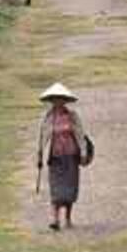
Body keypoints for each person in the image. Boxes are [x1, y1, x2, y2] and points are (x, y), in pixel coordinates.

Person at [36, 82, 88, 231]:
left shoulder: (72, 116)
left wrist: (83, 153)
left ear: (65, 100)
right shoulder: (48, 118)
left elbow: (80, 134)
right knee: (56, 190)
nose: (58, 101)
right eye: (55, 99)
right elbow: (42, 138)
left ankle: (68, 218)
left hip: (71, 156)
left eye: (60, 98)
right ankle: (55, 219)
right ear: (51, 100)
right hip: (55, 157)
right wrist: (39, 156)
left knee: (70, 189)